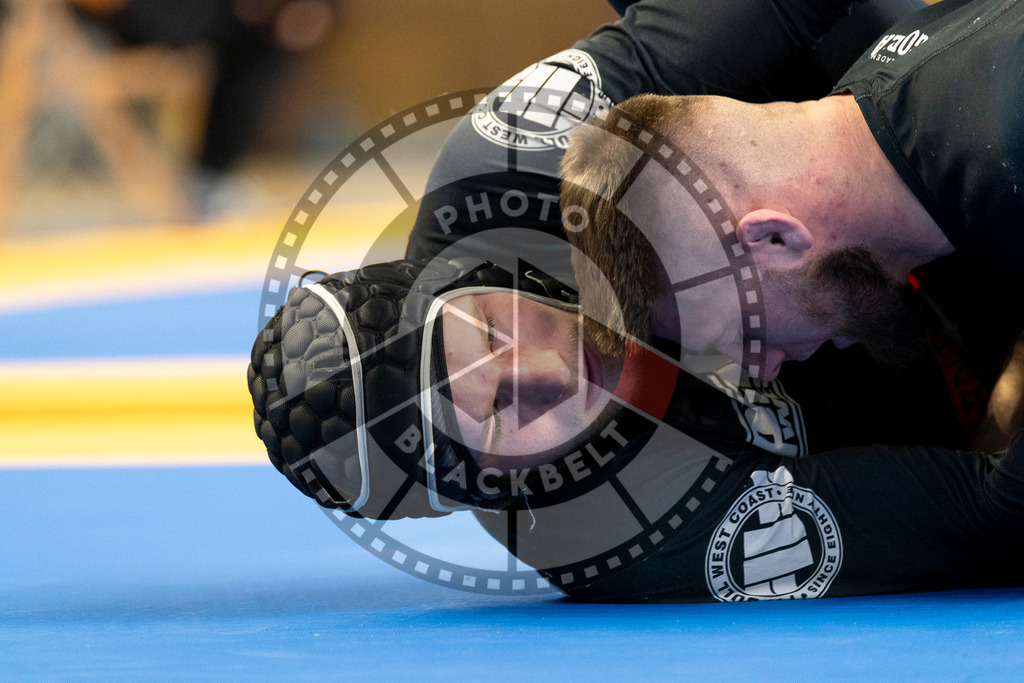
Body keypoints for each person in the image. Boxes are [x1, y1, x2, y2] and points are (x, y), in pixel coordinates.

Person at [248, 0, 1024, 600]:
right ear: (488, 492)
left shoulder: (516, 165)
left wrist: (974, 89)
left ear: (461, 271)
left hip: (872, 185)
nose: (549, 366)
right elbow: (997, 512)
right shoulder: (612, 526)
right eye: (497, 416)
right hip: (957, 383)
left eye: (490, 331)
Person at [560, 0, 1024, 396]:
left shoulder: (1006, 139)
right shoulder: (898, 80)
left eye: (742, 333)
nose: (764, 368)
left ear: (775, 238)